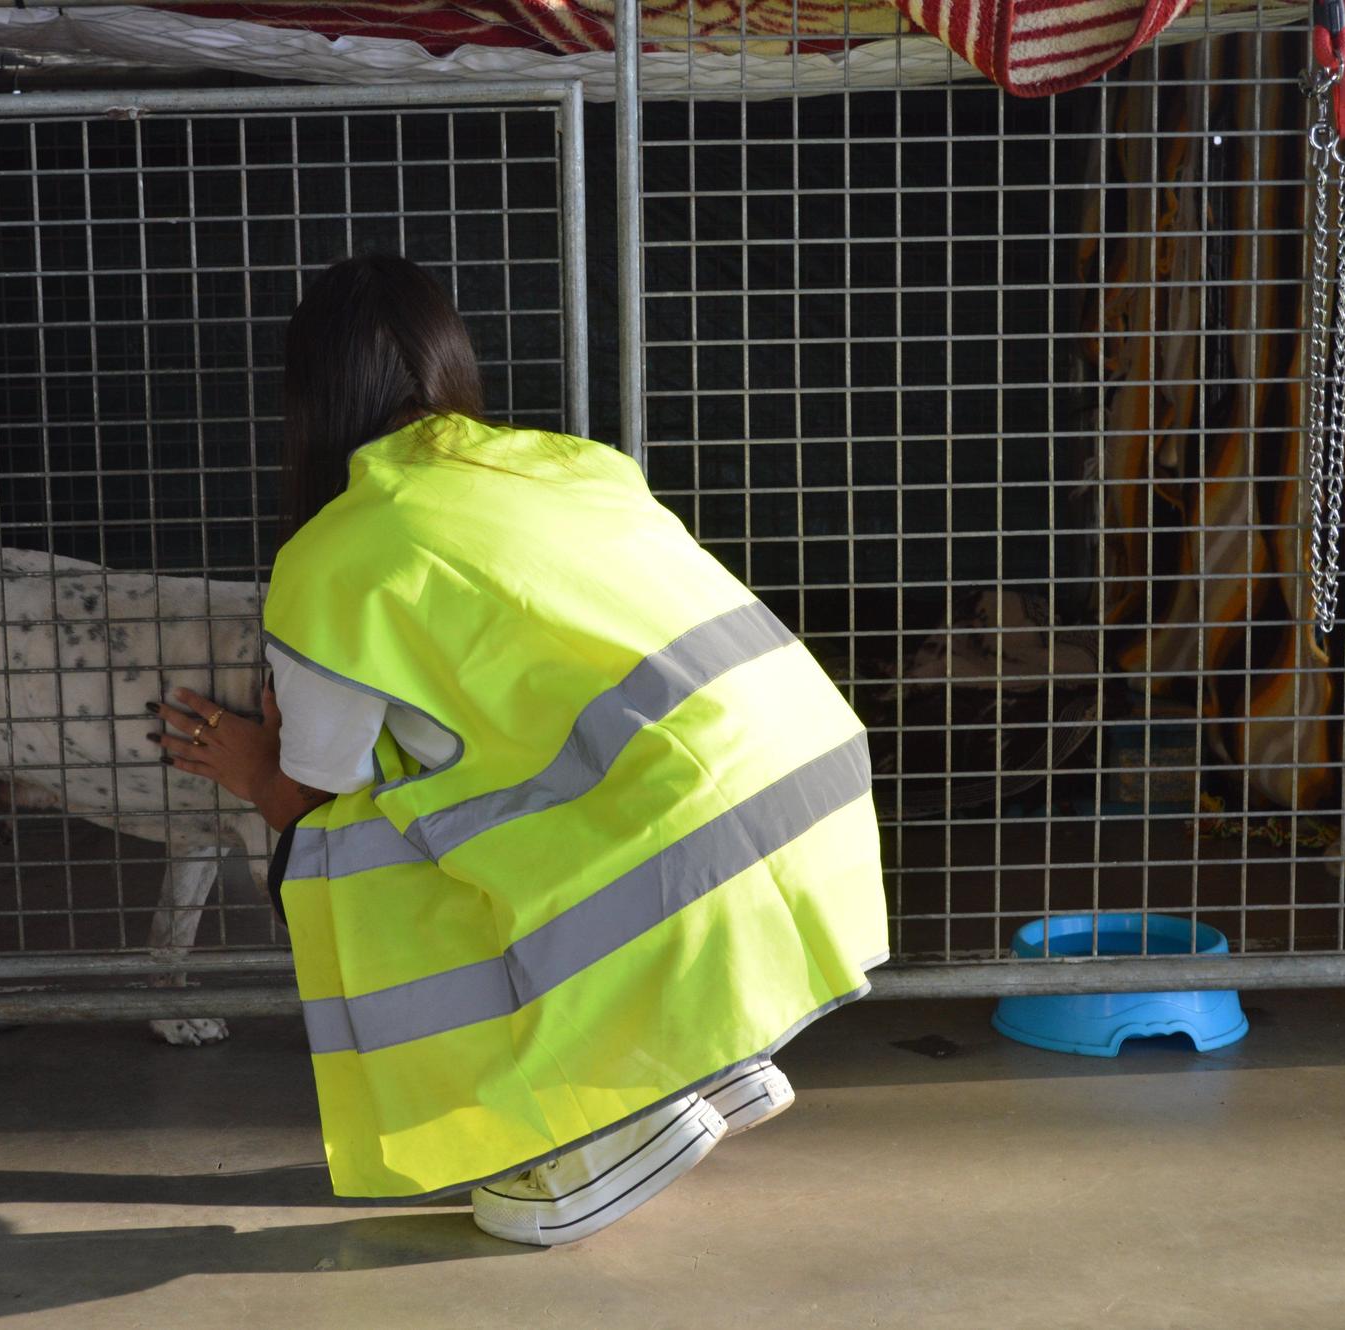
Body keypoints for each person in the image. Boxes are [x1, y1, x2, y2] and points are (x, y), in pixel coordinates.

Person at [156, 254, 888, 1246]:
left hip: (690, 850)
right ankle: (691, 1058)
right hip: (815, 796)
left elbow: (308, 791)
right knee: (488, 794)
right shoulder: (574, 463)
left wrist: (247, 764)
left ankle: (587, 1130)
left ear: (307, 400)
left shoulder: (331, 554)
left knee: (342, 853)